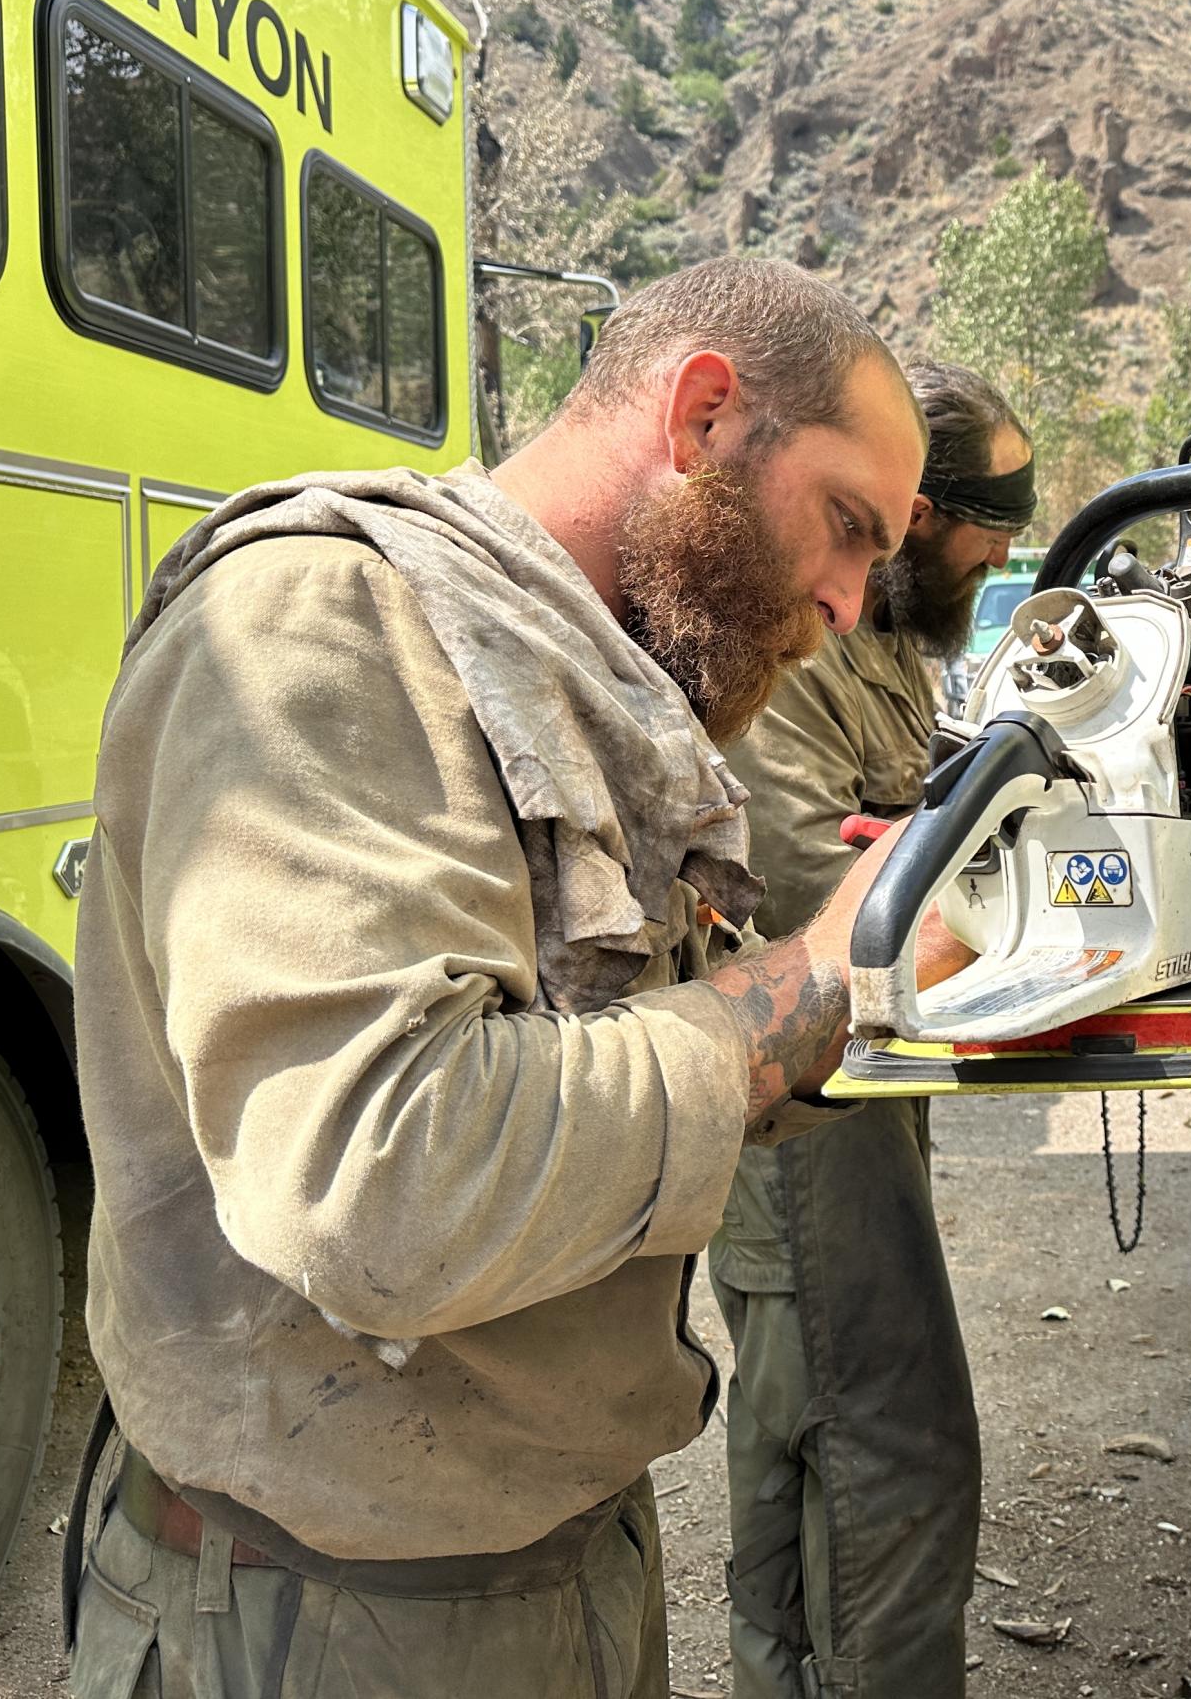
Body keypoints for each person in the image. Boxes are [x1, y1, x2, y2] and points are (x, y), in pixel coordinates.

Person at [65, 258, 966, 1699]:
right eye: (849, 526)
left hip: (555, 1569)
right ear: (706, 419)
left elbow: (606, 1046)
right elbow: (384, 1179)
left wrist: (934, 980)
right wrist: (815, 981)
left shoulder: (577, 673)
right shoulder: (325, 623)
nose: (855, 602)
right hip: (317, 1620)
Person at [709, 364, 1035, 1699]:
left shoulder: (893, 637)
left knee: (804, 1453)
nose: (1007, 548)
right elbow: (803, 889)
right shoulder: (807, 642)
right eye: (986, 519)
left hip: (836, 1098)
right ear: (912, 516)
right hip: (795, 1117)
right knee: (886, 1459)